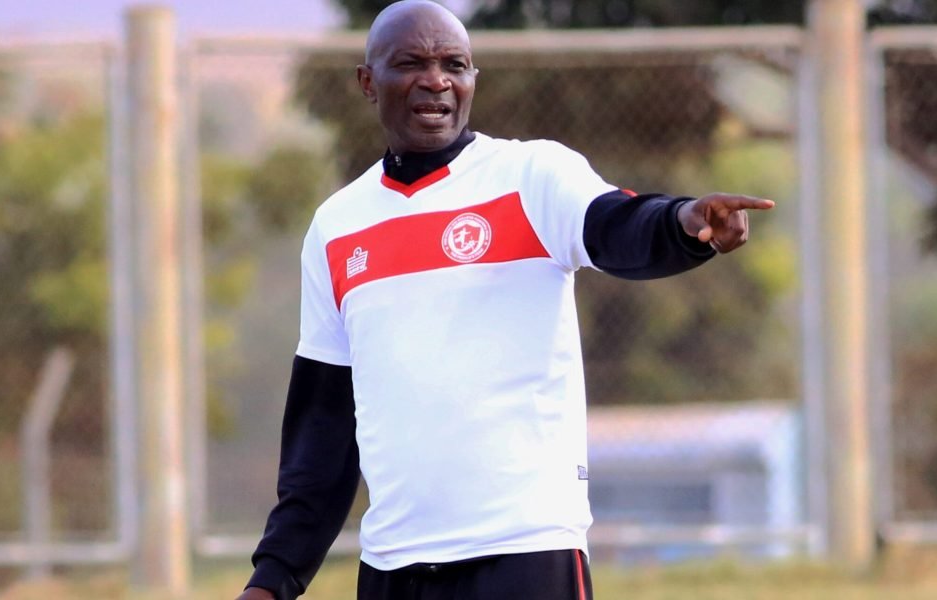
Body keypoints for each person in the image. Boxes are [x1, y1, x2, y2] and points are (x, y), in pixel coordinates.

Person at [237, 1, 774, 599]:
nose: (436, 80)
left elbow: (616, 224)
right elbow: (325, 426)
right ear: (368, 82)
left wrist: (683, 222)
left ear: (472, 79)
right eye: (411, 64)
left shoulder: (531, 176)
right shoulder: (337, 227)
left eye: (454, 65)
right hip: (394, 565)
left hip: (526, 550)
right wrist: (274, 577)